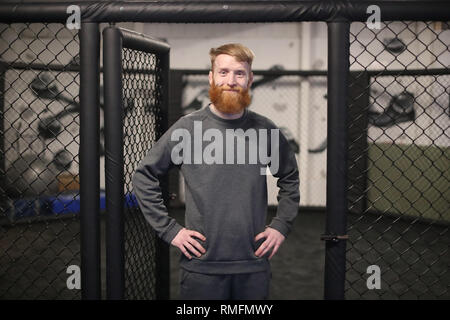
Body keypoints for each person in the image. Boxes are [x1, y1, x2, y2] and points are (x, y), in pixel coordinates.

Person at [132, 43, 300, 300]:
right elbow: (144, 176)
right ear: (211, 77)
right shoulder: (188, 129)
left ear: (250, 79)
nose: (230, 80)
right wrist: (170, 230)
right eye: (223, 72)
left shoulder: (265, 130)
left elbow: (289, 177)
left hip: (253, 263)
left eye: (239, 73)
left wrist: (281, 224)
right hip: (201, 265)